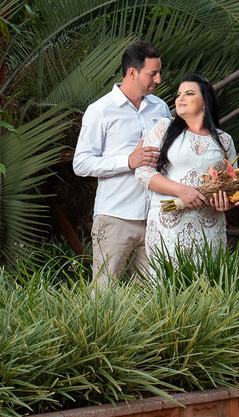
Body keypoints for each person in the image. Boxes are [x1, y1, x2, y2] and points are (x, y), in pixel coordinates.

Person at [72, 41, 170, 287]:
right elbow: (81, 163)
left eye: (159, 72)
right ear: (132, 73)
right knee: (104, 297)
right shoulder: (101, 111)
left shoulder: (161, 108)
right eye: (153, 73)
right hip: (115, 218)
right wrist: (128, 161)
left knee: (154, 297)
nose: (158, 79)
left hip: (156, 217)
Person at [135, 73, 236, 270]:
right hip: (168, 224)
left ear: (205, 102)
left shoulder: (224, 141)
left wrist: (227, 204)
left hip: (209, 225)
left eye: (188, 94)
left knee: (206, 289)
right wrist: (182, 191)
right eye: (179, 94)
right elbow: (143, 172)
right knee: (167, 288)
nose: (180, 98)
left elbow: (232, 184)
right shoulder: (164, 128)